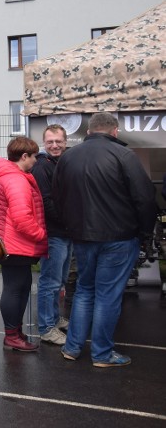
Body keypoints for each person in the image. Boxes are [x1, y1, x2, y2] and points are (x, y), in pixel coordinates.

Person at [53, 112, 156, 367]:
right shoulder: (124, 155)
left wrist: (72, 226)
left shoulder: (68, 157)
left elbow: (58, 198)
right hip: (118, 237)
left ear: (88, 131)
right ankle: (102, 353)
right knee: (108, 295)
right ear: (115, 132)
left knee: (85, 291)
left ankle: (73, 347)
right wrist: (145, 233)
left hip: (83, 236)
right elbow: (145, 199)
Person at [0, 136, 48, 352]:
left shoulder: (3, 175)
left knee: (18, 287)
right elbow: (22, 218)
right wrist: (41, 234)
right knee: (16, 289)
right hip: (15, 244)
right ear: (24, 156)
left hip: (7, 242)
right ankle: (12, 335)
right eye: (33, 156)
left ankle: (15, 332)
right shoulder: (16, 180)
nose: (36, 161)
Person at [32, 124, 72, 346]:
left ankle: (55, 318)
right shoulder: (42, 167)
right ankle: (46, 327)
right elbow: (46, 203)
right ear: (44, 143)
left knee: (61, 280)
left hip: (66, 232)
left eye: (58, 141)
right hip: (53, 233)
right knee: (50, 282)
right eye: (50, 142)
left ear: (65, 142)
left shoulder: (63, 162)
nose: (55, 145)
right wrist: (71, 220)